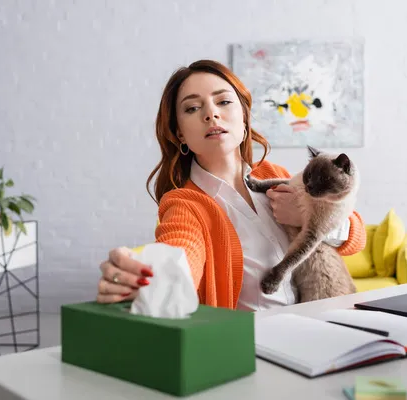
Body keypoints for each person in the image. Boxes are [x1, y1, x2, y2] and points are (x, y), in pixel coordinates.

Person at [96, 60, 366, 311]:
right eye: (192, 108)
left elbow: (356, 238)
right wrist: (152, 279)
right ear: (180, 133)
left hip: (316, 331)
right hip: (251, 349)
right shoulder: (184, 204)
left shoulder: (276, 174)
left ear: (245, 117)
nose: (211, 114)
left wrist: (303, 216)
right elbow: (181, 250)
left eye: (223, 101)